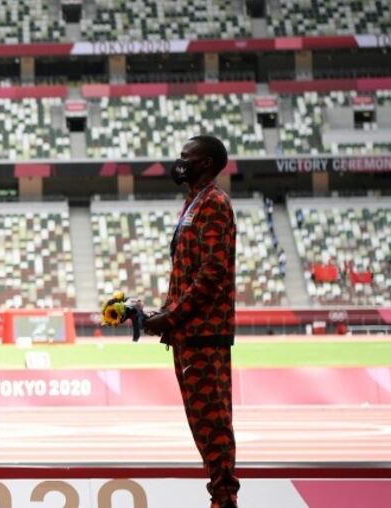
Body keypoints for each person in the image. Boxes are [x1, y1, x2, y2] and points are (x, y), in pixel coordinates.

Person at [143, 135, 240, 508]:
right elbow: (187, 274)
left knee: (212, 422)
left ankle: (225, 499)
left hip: (206, 334)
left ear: (207, 163)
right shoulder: (193, 203)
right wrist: (162, 315)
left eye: (187, 157)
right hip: (189, 332)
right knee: (201, 423)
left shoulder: (214, 204)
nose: (179, 163)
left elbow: (213, 273)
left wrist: (173, 316)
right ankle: (220, 495)